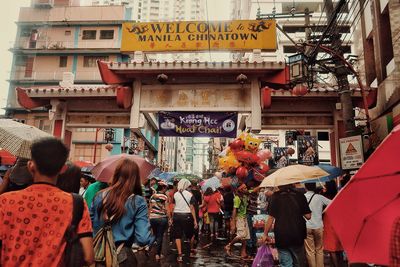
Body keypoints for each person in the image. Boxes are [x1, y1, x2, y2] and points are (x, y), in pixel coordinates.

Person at [0, 137, 94, 266]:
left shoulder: (5, 201)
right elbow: (88, 256)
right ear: (63, 169)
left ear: (30, 166)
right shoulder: (75, 203)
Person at [90, 158, 154, 266]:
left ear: (116, 174)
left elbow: (89, 225)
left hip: (98, 255)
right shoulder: (137, 201)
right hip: (123, 257)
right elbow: (143, 238)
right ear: (135, 178)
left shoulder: (98, 196)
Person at [262, 184, 312, 267]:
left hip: (282, 234)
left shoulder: (275, 196)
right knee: (298, 263)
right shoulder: (300, 195)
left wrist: (265, 234)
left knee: (286, 264)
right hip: (297, 233)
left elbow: (271, 218)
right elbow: (308, 216)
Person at [304, 182, 332, 267]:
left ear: (305, 187)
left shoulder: (302, 197)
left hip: (307, 226)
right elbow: (332, 203)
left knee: (310, 251)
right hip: (318, 226)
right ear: (314, 187)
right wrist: (323, 211)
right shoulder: (320, 197)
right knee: (319, 250)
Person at [171, 179, 198, 262]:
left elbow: (173, 206)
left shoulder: (175, 194)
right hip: (187, 216)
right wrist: (195, 220)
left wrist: (172, 218)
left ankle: (180, 255)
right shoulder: (190, 194)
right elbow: (192, 208)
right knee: (191, 235)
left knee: (178, 236)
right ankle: (190, 251)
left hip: (176, 215)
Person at [225, 184, 250, 259]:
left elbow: (253, 190)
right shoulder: (237, 198)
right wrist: (233, 223)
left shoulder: (245, 196)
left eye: (246, 187)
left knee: (245, 237)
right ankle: (229, 245)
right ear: (240, 189)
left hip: (244, 218)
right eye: (244, 188)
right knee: (241, 235)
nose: (246, 189)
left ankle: (243, 253)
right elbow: (234, 210)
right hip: (239, 218)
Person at [149, 180, 169, 260]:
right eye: (165, 188)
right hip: (161, 218)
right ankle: (157, 254)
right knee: (160, 236)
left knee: (154, 235)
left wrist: (149, 217)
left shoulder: (152, 196)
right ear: (163, 187)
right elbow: (167, 209)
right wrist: (170, 218)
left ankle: (148, 246)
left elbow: (150, 207)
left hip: (152, 218)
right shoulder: (164, 197)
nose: (166, 189)